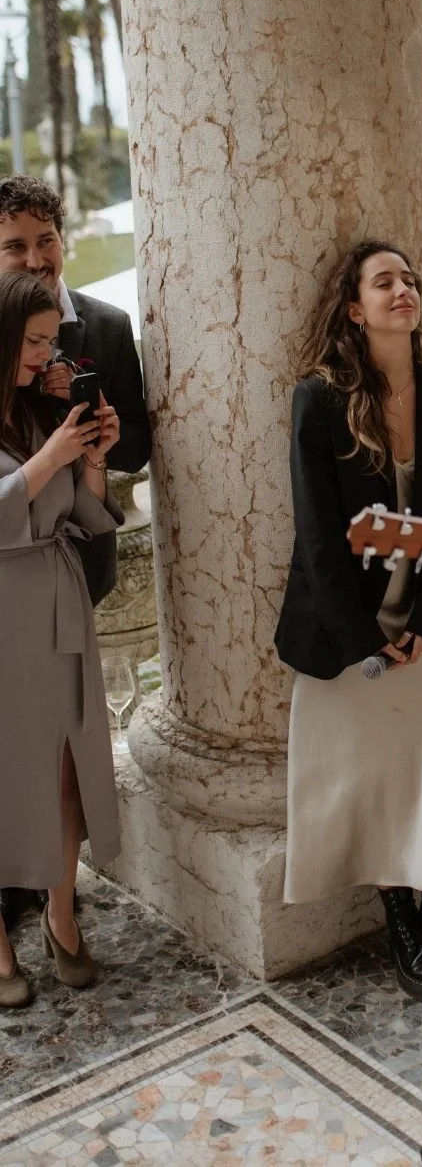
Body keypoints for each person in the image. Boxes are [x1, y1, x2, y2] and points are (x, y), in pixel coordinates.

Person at [274, 240, 422, 1005]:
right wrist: (365, 638)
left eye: (409, 279)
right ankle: (401, 914)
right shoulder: (319, 400)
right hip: (344, 634)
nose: (403, 289)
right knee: (373, 781)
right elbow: (316, 536)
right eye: (383, 281)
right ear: (354, 308)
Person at [0, 176, 150, 932]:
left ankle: (59, 898)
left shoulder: (106, 326)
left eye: (46, 240)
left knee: (61, 751)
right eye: (14, 246)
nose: (36, 257)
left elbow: (137, 448)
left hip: (71, 570)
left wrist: (95, 443)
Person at [0, 272, 124, 1009]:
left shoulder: (36, 409)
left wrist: (93, 456)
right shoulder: (35, 428)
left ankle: (61, 912)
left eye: (52, 341)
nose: (47, 355)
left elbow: (82, 513)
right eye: (35, 340)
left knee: (67, 767)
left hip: (56, 597)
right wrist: (52, 453)